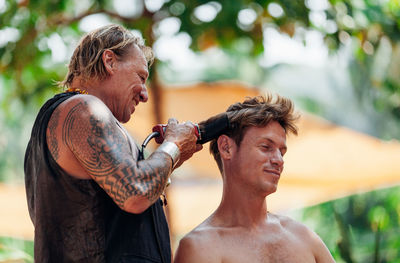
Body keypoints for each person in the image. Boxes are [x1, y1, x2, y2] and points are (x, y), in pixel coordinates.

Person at [24, 24, 202, 263]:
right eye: (140, 77)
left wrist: (170, 159)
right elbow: (134, 194)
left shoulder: (70, 116)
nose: (144, 94)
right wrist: (173, 146)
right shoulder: (83, 109)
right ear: (109, 61)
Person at [174, 95, 335, 263]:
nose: (279, 160)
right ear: (226, 148)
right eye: (266, 147)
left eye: (282, 151)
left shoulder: (303, 238)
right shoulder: (201, 247)